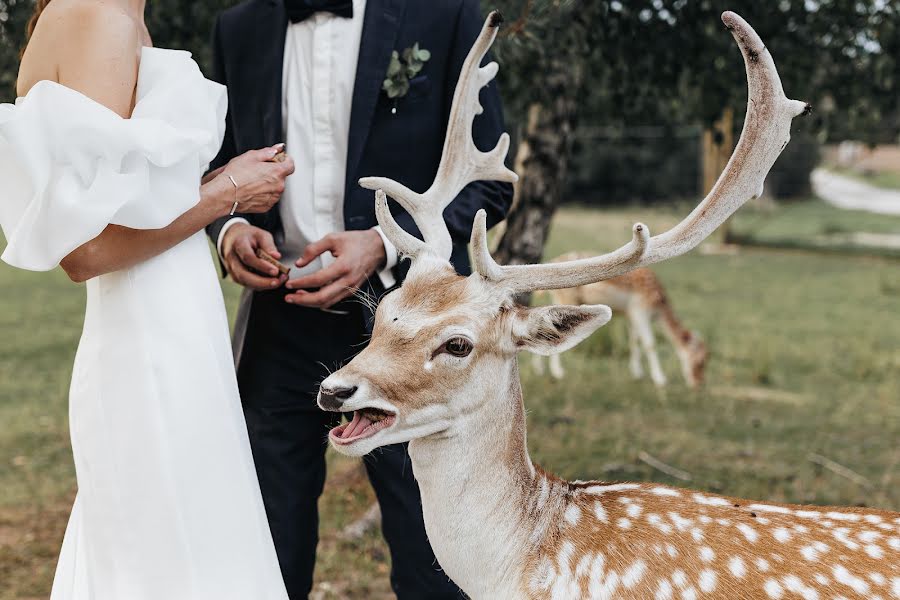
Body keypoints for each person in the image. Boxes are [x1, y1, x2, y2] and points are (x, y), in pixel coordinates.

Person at [207, 0, 514, 597]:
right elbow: (217, 161)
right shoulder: (238, 27)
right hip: (277, 324)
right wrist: (230, 229)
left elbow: (489, 184)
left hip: (409, 335)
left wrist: (383, 243)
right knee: (265, 545)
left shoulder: (446, 16)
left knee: (429, 553)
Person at [0, 0, 295, 597]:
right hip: (148, 348)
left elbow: (140, 206)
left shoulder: (123, 15)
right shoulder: (97, 15)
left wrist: (218, 187)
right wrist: (228, 194)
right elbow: (85, 250)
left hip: (179, 329)